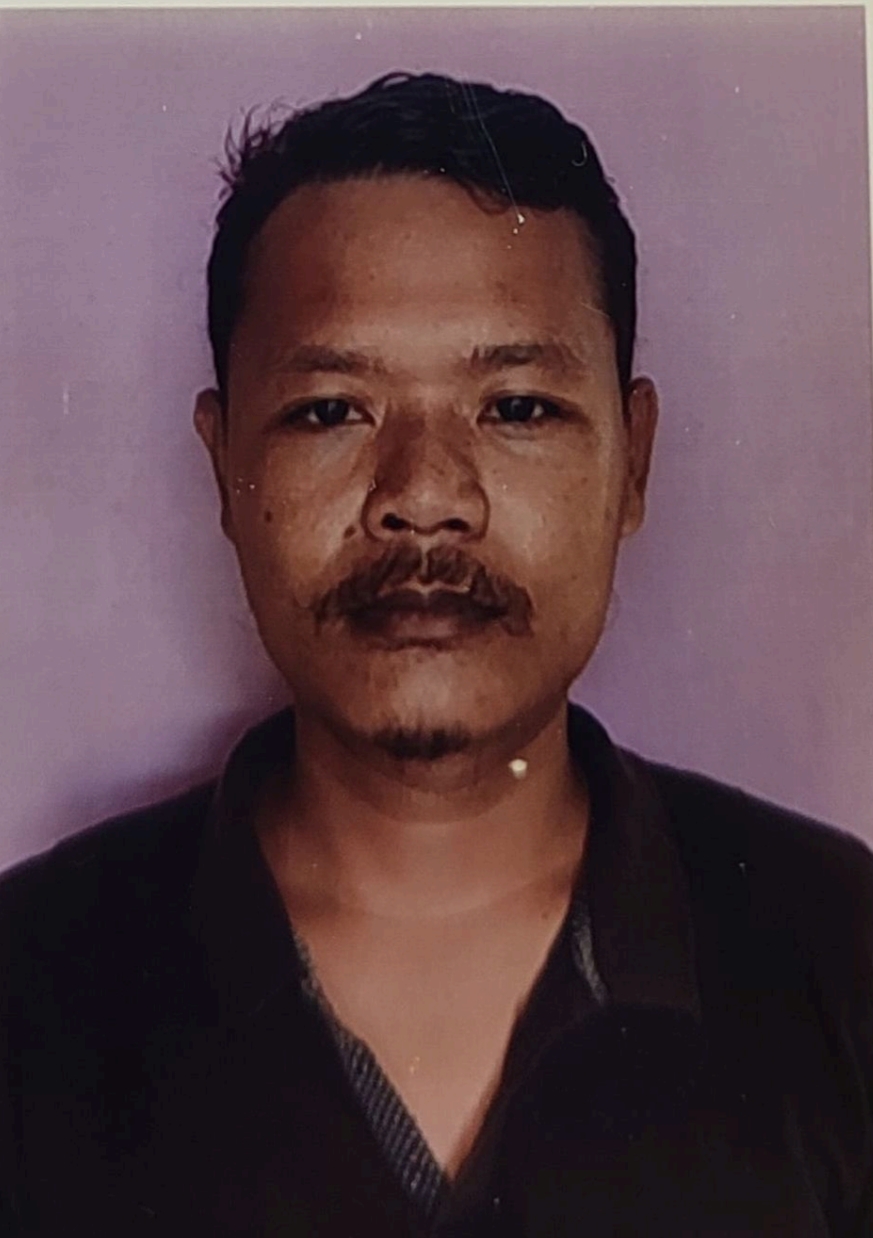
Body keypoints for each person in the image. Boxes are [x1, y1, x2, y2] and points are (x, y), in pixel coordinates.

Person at [1, 70, 870, 1237]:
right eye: (330, 409)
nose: (423, 496)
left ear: (634, 460)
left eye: (516, 407)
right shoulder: (28, 987)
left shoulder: (843, 954)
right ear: (225, 466)